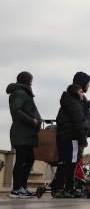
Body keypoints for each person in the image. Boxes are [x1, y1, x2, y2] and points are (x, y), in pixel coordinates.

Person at [7, 71, 42, 199]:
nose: (32, 83)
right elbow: (16, 110)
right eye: (31, 80)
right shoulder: (20, 93)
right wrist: (31, 120)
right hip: (22, 133)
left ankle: (22, 186)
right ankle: (17, 189)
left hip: (26, 134)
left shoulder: (23, 93)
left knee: (29, 159)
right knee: (22, 161)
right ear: (27, 81)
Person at [52, 84, 87, 198]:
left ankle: (59, 188)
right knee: (71, 163)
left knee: (62, 163)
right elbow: (78, 124)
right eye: (81, 91)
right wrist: (83, 140)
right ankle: (69, 188)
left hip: (62, 138)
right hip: (72, 138)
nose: (83, 94)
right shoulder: (75, 105)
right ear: (76, 93)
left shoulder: (64, 104)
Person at [72, 72, 90, 138]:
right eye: (87, 83)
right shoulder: (78, 98)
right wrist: (83, 140)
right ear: (82, 83)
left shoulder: (78, 98)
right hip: (77, 137)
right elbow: (79, 120)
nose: (89, 85)